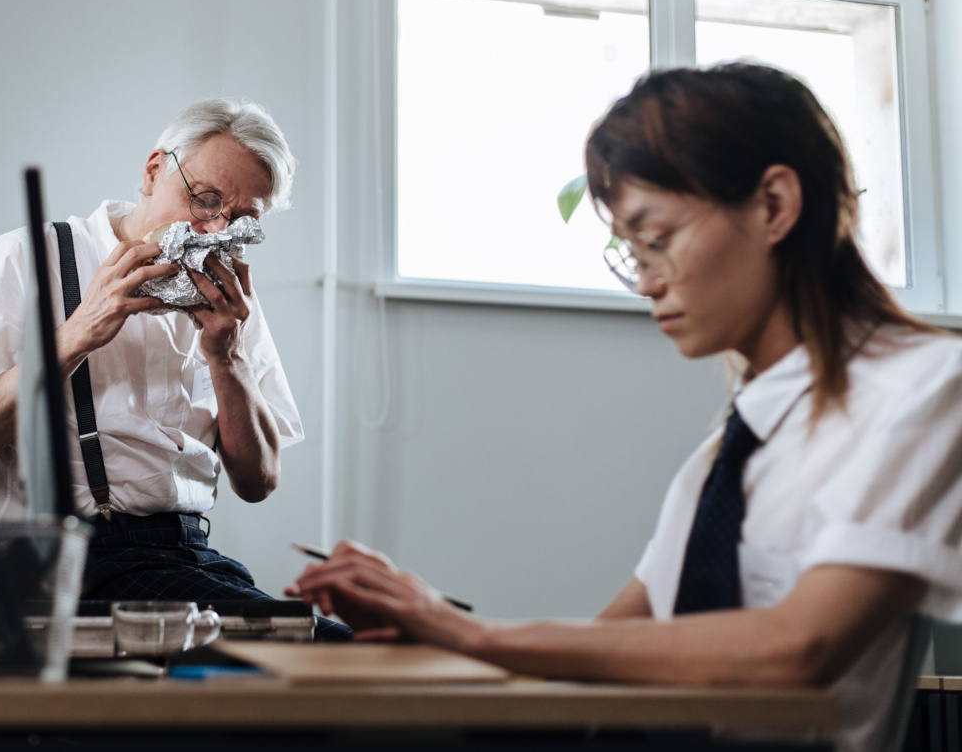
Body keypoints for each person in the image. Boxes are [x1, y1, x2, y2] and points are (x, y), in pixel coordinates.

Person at [289, 63, 962, 749]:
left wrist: (463, 629)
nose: (644, 283)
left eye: (657, 239)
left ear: (773, 206)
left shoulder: (925, 389)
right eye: (630, 254)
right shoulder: (725, 454)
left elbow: (798, 647)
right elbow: (610, 646)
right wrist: (425, 623)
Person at [0, 98, 346, 637]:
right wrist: (79, 332)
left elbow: (258, 480)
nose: (212, 231)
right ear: (154, 170)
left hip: (191, 558)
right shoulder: (31, 256)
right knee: (322, 650)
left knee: (327, 649)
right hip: (69, 569)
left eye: (242, 222)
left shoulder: (229, 296)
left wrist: (226, 356)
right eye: (204, 200)